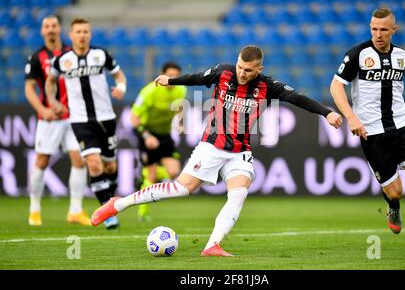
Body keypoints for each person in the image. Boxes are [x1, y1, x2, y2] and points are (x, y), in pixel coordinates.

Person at [91, 45, 343, 255]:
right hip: (212, 146)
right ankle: (119, 203)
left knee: (239, 194)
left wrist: (327, 112)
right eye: (240, 68)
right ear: (236, 63)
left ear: (259, 69)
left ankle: (212, 244)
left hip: (240, 151)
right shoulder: (223, 73)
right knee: (181, 189)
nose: (242, 73)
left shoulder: (268, 86)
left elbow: (298, 98)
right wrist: (171, 80)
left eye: (248, 70)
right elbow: (197, 78)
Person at [330, 7, 405, 250]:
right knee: (396, 192)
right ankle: (393, 207)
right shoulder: (357, 55)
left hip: (403, 124)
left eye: (384, 29)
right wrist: (351, 118)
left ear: (394, 29)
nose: (378, 34)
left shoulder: (404, 57)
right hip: (371, 132)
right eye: (374, 29)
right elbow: (335, 87)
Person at [45, 18, 128, 229]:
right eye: (78, 32)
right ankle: (107, 212)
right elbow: (50, 82)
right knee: (93, 163)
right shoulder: (62, 60)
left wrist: (121, 88)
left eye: (85, 31)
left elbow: (120, 76)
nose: (82, 35)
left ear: (90, 35)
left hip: (105, 118)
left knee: (110, 165)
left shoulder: (101, 55)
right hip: (80, 120)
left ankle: (109, 197)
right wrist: (53, 101)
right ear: (71, 35)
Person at [24, 15, 90, 226]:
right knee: (41, 161)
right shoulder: (36, 57)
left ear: (60, 29)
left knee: (79, 161)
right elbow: (29, 90)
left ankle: (75, 211)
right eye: (47, 26)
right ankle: (34, 210)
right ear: (42, 31)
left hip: (74, 117)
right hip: (50, 119)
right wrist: (43, 110)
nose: (51, 29)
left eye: (54, 26)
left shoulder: (72, 54)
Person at [130, 61, 186, 221]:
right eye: (170, 75)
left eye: (176, 76)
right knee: (153, 176)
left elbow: (178, 109)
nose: (173, 79)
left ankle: (146, 174)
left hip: (164, 134)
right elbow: (133, 117)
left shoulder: (181, 90)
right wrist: (146, 136)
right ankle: (142, 213)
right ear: (162, 75)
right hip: (146, 132)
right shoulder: (149, 91)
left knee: (174, 172)